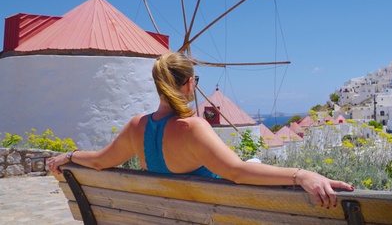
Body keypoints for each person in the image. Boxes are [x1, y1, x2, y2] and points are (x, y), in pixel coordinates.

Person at [47, 51, 353, 209]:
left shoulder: (136, 127)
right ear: (189, 83)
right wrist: (303, 175)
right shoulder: (193, 128)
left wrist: (69, 155)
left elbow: (100, 161)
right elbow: (239, 172)